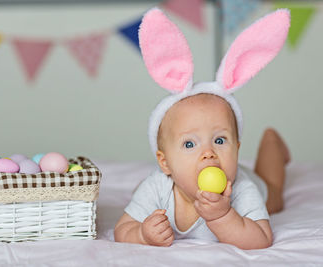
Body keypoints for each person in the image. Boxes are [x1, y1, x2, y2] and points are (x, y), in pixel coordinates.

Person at [114, 8, 291, 250]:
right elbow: (122, 229)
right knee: (142, 194)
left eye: (220, 140)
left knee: (275, 195)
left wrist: (223, 217)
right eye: (189, 144)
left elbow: (261, 238)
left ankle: (273, 144)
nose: (208, 153)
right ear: (164, 163)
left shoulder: (241, 188)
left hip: (261, 192)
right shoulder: (157, 186)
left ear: (237, 149)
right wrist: (142, 234)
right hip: (159, 183)